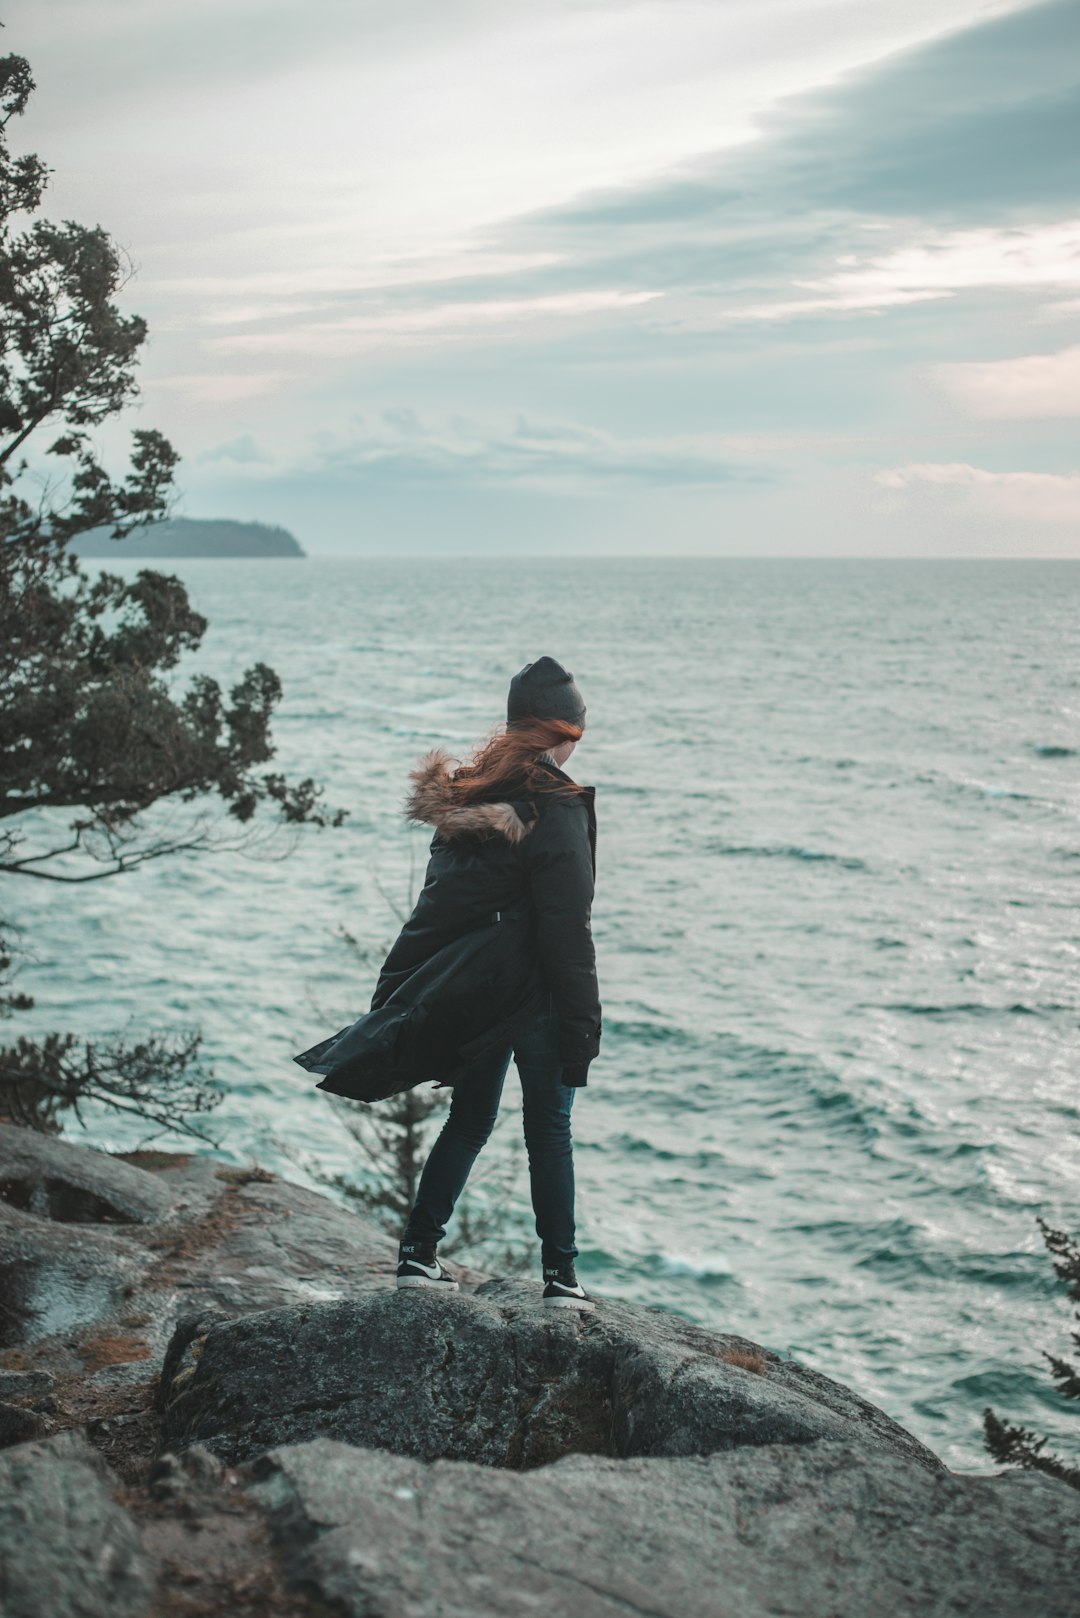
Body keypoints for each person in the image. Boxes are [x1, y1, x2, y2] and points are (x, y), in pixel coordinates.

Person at [388, 655, 601, 1309]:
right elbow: (568, 930)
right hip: (534, 995)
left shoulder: (472, 798)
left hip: (478, 992)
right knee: (550, 1131)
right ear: (566, 732)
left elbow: (438, 910)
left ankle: (418, 1255)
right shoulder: (556, 808)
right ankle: (562, 1278)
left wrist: (406, 996)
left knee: (470, 1120)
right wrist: (582, 1025)